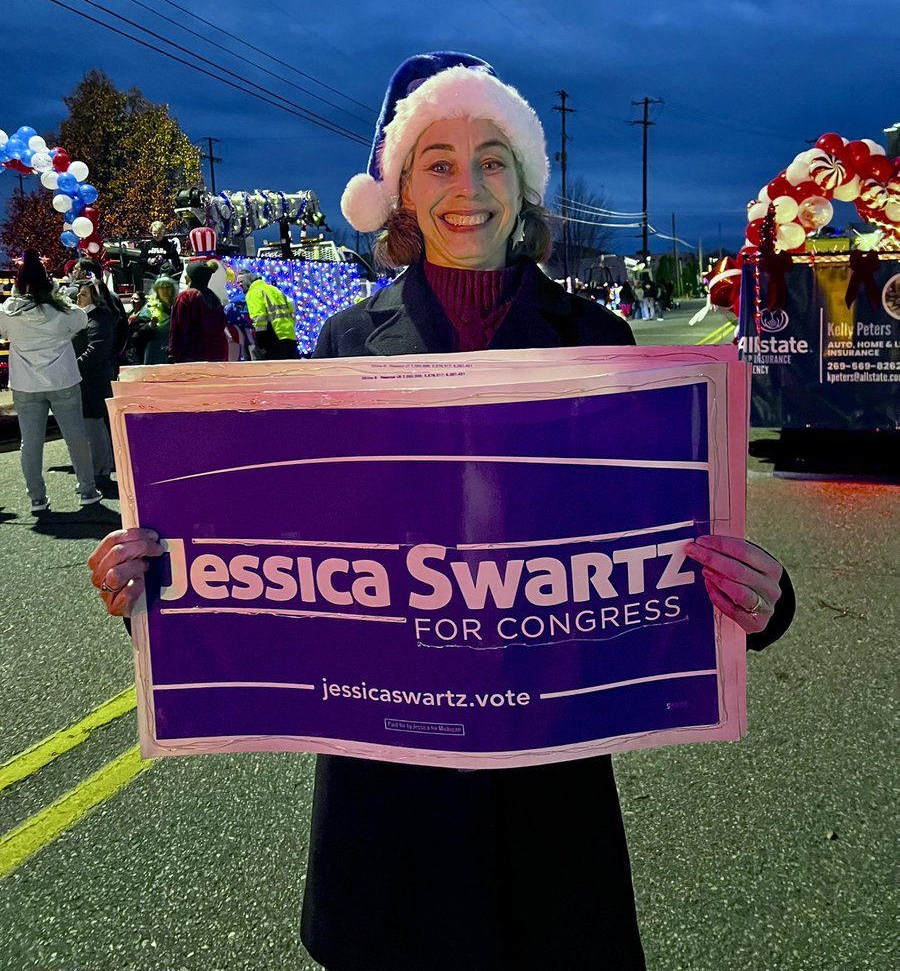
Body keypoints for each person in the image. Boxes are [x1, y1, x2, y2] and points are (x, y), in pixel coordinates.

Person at [88, 53, 795, 971]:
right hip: (392, 793)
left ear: (525, 185)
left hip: (547, 785)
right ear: (401, 197)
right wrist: (157, 575)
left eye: (494, 158)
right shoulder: (346, 345)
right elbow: (286, 543)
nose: (470, 186)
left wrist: (760, 600)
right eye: (439, 161)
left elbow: (658, 545)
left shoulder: (598, 342)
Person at [0, 250, 102, 512]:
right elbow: (81, 319)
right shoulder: (61, 310)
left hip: (25, 384)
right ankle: (87, 489)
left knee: (30, 442)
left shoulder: (8, 313)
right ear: (48, 282)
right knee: (76, 437)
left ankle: (37, 498)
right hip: (63, 380)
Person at [71, 279, 117, 485]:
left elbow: (95, 351)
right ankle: (98, 467)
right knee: (90, 424)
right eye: (79, 293)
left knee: (93, 424)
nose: (79, 297)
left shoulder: (98, 318)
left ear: (95, 298)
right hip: (89, 378)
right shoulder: (87, 317)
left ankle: (101, 469)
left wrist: (72, 367)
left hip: (93, 380)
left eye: (84, 294)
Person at [167, 260, 228, 363]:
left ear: (191, 277)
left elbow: (178, 330)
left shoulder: (185, 298)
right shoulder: (214, 298)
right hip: (218, 354)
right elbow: (222, 325)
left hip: (193, 355)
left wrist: (172, 355)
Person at [238, 269, 298, 358]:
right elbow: (291, 312)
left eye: (242, 282)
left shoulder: (253, 292)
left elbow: (259, 319)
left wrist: (261, 344)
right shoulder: (275, 290)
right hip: (290, 335)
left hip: (273, 338)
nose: (240, 285)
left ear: (247, 282)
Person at [123, 276, 177, 366]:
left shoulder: (177, 306)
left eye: (168, 287)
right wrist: (150, 325)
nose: (165, 290)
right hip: (154, 357)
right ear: (157, 290)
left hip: (173, 356)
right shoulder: (148, 309)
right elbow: (135, 337)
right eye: (162, 288)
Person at [139, 220, 182, 288]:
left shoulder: (170, 245)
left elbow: (176, 261)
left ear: (163, 232)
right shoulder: (147, 245)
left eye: (159, 233)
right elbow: (141, 259)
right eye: (154, 233)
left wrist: (165, 261)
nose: (156, 235)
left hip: (166, 277)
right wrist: (150, 261)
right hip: (151, 277)